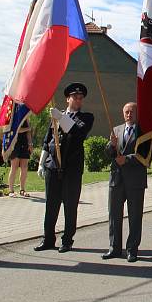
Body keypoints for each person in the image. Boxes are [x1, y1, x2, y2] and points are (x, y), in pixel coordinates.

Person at [34, 82, 94, 253]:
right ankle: (48, 239)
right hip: (53, 166)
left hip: (72, 169)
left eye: (80, 98)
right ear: (68, 99)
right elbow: (47, 141)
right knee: (51, 205)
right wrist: (41, 162)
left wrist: (61, 117)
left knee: (70, 205)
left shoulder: (86, 118)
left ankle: (67, 240)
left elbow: (77, 132)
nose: (78, 100)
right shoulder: (56, 117)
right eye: (75, 97)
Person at [103, 102, 149, 262]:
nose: (129, 114)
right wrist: (111, 145)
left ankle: (132, 249)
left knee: (135, 216)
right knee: (114, 215)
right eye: (126, 112)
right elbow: (109, 153)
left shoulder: (144, 131)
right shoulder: (116, 130)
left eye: (132, 112)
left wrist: (127, 159)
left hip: (135, 179)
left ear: (137, 113)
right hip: (116, 179)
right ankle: (114, 248)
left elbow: (146, 155)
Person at [7, 119, 32, 197]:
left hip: (24, 144)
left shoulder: (26, 117)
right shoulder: (13, 116)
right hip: (14, 143)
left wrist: (30, 143)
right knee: (14, 167)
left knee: (24, 167)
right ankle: (11, 190)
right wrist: (28, 128)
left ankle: (22, 189)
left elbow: (28, 132)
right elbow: (15, 130)